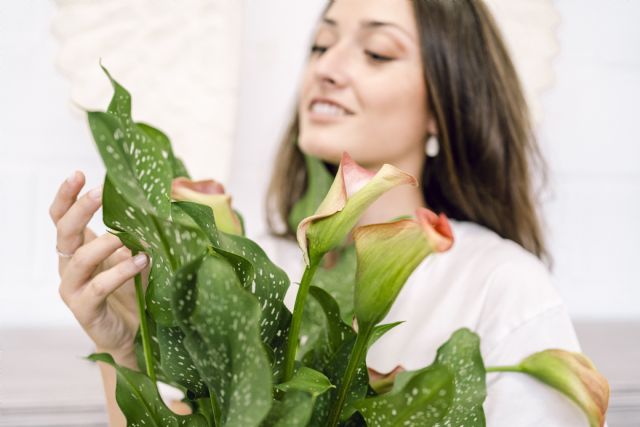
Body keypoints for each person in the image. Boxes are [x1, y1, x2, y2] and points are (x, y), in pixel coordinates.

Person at [49, 0, 592, 425]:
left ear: (444, 108)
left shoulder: (499, 283)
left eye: (377, 53)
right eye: (320, 44)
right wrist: (126, 349)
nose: (327, 68)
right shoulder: (261, 273)